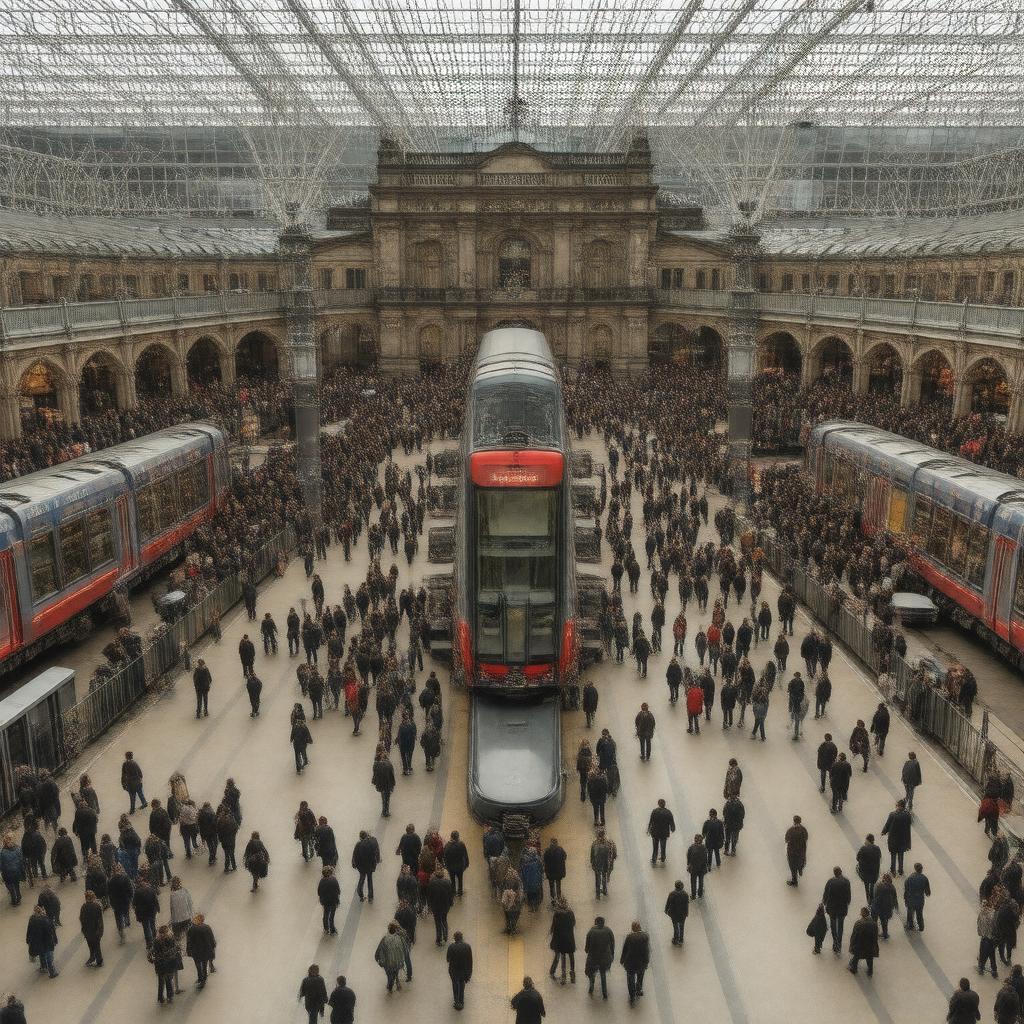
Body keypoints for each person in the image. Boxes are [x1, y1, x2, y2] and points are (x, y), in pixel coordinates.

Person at [823, 866, 852, 955]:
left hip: (832, 908)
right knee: (840, 926)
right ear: (841, 872)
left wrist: (825, 903)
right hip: (842, 908)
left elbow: (826, 895)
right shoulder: (846, 882)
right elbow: (848, 896)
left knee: (833, 925)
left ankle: (835, 942)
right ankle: (839, 943)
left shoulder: (830, 881)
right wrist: (847, 903)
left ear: (834, 873)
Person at [620, 920, 650, 1006]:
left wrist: (622, 960)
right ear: (640, 927)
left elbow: (625, 950)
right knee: (640, 976)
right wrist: (647, 961)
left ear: (633, 928)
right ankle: (639, 989)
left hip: (630, 962)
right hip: (641, 962)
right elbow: (646, 951)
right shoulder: (645, 936)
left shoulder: (629, 937)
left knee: (630, 979)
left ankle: (632, 995)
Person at [584, 917, 615, 1000]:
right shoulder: (608, 931)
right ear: (603, 923)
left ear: (596, 922)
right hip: (604, 958)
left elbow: (586, 948)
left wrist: (587, 950)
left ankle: (591, 988)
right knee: (603, 974)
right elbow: (612, 944)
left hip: (593, 957)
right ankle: (604, 993)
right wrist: (612, 954)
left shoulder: (591, 931)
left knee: (592, 973)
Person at [881, 799, 913, 875]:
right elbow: (910, 823)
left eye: (897, 805)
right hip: (903, 840)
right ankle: (900, 870)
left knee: (893, 855)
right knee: (901, 855)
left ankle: (893, 870)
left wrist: (883, 832)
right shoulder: (907, 815)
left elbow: (887, 824)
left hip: (893, 839)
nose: (896, 807)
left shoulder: (892, 815)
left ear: (900, 806)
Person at [26, 904, 59, 978]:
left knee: (41, 954)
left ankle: (43, 967)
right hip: (47, 942)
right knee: (49, 957)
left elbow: (29, 931)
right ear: (42, 910)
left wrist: (28, 940)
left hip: (38, 942)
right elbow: (51, 932)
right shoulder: (46, 920)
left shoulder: (32, 919)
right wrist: (55, 940)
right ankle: (52, 972)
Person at [549, 897, 577, 984]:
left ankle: (564, 976)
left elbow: (553, 928)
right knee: (571, 956)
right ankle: (572, 975)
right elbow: (574, 923)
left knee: (563, 956)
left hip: (561, 939)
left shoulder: (557, 914)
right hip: (570, 939)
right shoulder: (570, 913)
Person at [185, 913, 217, 989]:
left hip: (196, 951)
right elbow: (212, 940)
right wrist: (212, 947)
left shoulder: (192, 929)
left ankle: (200, 978)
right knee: (204, 964)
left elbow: (189, 941)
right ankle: (204, 979)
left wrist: (188, 950)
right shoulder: (207, 927)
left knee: (198, 965)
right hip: (206, 950)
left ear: (197, 919)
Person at [152, 924, 181, 1005]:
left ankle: (161, 998)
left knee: (161, 982)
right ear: (166, 932)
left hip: (159, 965)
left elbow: (154, 953)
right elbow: (173, 951)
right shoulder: (170, 940)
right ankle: (170, 996)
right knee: (168, 980)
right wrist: (176, 948)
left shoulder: (155, 941)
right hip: (168, 964)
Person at [375, 922, 407, 992]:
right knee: (396, 971)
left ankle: (390, 986)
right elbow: (405, 949)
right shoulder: (400, 938)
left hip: (388, 963)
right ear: (395, 930)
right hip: (398, 962)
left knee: (389, 975)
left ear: (388, 929)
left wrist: (377, 958)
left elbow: (379, 949)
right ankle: (397, 980)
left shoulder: (385, 939)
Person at [848, 907, 879, 977]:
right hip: (870, 945)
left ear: (862, 914)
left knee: (856, 957)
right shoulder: (874, 924)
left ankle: (854, 969)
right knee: (870, 958)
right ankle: (870, 971)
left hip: (860, 945)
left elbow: (854, 936)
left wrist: (852, 945)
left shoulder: (858, 923)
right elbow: (875, 936)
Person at [352, 830, 381, 903]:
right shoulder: (373, 841)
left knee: (361, 879)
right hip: (370, 865)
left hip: (362, 867)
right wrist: (377, 860)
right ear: (367, 835)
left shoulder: (358, 845)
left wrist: (354, 864)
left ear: (360, 837)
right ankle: (370, 897)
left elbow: (355, 855)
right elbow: (377, 851)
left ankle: (361, 895)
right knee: (369, 880)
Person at [427, 866, 454, 945]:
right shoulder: (447, 882)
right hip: (445, 906)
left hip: (435, 906)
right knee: (444, 919)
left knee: (437, 922)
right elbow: (450, 894)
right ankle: (445, 936)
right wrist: (451, 903)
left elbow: (429, 895)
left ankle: (439, 939)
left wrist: (430, 905)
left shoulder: (432, 883)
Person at [447, 931, 473, 1011]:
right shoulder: (467, 946)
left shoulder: (451, 947)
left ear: (455, 938)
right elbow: (470, 961)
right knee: (462, 984)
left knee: (455, 985)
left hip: (454, 970)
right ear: (462, 937)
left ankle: (456, 1001)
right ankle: (461, 1001)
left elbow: (448, 959)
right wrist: (469, 973)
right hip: (464, 970)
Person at [80, 889, 105, 967]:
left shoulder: (83, 907)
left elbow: (81, 918)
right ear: (93, 897)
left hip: (87, 930)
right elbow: (100, 920)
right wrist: (100, 931)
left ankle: (92, 957)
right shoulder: (97, 906)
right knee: (97, 945)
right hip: (96, 930)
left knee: (90, 944)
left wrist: (83, 929)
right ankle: (99, 961)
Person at [903, 862, 931, 931]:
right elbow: (928, 893)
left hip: (911, 900)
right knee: (919, 914)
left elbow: (906, 890)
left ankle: (910, 926)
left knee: (910, 913)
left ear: (915, 869)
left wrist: (906, 899)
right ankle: (921, 927)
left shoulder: (909, 878)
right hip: (920, 900)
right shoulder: (924, 878)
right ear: (921, 869)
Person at [647, 799, 675, 864]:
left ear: (658, 804)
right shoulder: (668, 812)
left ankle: (654, 859)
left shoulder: (654, 811)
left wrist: (649, 829)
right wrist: (672, 828)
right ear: (664, 804)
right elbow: (671, 822)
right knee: (663, 846)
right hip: (664, 833)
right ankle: (663, 858)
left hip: (655, 833)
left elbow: (651, 821)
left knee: (655, 846)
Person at [590, 828, 616, 898]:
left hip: (597, 864)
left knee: (597, 878)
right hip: (605, 864)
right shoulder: (608, 843)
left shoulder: (594, 844)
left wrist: (592, 863)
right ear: (604, 834)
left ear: (598, 835)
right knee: (604, 876)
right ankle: (604, 891)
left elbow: (592, 855)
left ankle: (598, 894)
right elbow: (611, 854)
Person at [0, 834, 25, 905]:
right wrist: (22, 872)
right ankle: (19, 898)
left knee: (10, 886)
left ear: (4, 843)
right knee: (16, 885)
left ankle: (14, 900)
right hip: (17, 872)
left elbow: (1, 865)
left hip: (7, 873)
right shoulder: (18, 849)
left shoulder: (2, 853)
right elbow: (21, 861)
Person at [442, 831, 469, 897]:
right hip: (460, 866)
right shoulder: (461, 844)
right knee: (460, 879)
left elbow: (445, 858)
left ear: (451, 837)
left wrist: (446, 866)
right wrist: (466, 864)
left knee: (452, 880)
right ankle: (460, 892)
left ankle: (453, 892)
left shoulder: (447, 846)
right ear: (458, 837)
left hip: (451, 868)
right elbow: (465, 855)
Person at [857, 834, 882, 901]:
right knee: (872, 884)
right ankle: (871, 897)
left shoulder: (863, 848)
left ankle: (868, 898)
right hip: (874, 871)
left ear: (867, 840)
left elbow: (857, 858)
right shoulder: (877, 848)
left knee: (866, 884)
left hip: (865, 872)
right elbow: (880, 857)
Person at [785, 815, 808, 887]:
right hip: (801, 850)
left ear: (794, 821)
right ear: (800, 821)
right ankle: (800, 869)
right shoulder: (804, 829)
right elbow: (806, 838)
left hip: (792, 851)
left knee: (793, 866)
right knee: (801, 861)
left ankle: (794, 881)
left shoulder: (790, 830)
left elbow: (786, 840)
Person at [979, 897, 999, 978]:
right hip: (991, 938)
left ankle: (981, 968)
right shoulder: (993, 914)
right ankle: (994, 971)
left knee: (984, 954)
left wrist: (981, 934)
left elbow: (979, 926)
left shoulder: (982, 915)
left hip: (986, 938)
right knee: (991, 954)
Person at [665, 880, 689, 946]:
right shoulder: (685, 894)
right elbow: (686, 905)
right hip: (682, 914)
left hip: (674, 914)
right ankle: (681, 939)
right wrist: (686, 913)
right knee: (682, 926)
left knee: (675, 926)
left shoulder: (672, 894)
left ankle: (675, 939)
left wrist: (666, 910)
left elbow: (668, 903)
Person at [543, 838, 567, 903]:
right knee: (558, 886)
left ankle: (553, 901)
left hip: (550, 873)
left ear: (550, 843)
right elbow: (565, 857)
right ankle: (559, 899)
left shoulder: (547, 850)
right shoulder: (560, 849)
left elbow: (544, 860)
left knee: (551, 887)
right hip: (558, 872)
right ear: (556, 843)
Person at [373, 751, 396, 817]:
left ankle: (383, 810)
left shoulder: (376, 764)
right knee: (387, 798)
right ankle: (386, 811)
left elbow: (375, 775)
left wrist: (375, 782)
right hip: (387, 784)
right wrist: (393, 784)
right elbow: (392, 775)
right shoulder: (389, 764)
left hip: (380, 784)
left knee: (383, 797)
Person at [686, 834, 708, 899]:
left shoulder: (691, 847)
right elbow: (705, 858)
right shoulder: (704, 848)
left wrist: (688, 864)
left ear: (695, 840)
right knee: (701, 881)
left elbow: (688, 857)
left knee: (693, 882)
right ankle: (700, 894)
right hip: (702, 868)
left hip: (693, 868)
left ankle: (693, 895)